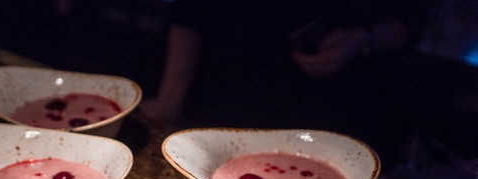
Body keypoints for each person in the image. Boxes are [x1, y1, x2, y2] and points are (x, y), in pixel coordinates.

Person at [140, 0, 426, 167]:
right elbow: (190, 14)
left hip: (332, 116)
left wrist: (363, 38)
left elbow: (411, 22)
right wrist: (170, 99)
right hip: (225, 103)